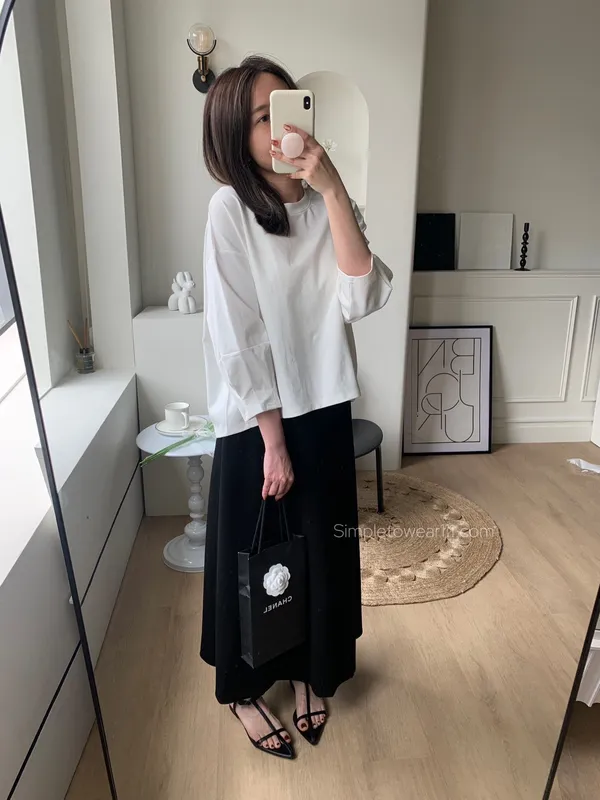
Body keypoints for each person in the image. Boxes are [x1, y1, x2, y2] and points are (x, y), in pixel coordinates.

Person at [199, 54, 393, 759]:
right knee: (253, 555)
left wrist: (333, 187)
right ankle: (245, 689)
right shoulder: (229, 211)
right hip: (259, 424)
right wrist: (273, 441)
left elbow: (363, 297)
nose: (284, 126)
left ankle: (312, 672)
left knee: (322, 548)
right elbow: (238, 334)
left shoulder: (324, 202)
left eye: (290, 105)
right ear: (237, 135)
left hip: (326, 408)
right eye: (264, 116)